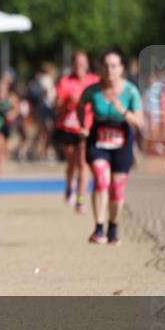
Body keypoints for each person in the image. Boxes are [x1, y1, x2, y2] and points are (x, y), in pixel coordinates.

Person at [77, 49, 144, 246]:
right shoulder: (92, 91)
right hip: (98, 141)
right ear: (100, 68)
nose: (109, 70)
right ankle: (99, 228)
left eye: (114, 66)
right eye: (105, 66)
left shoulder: (131, 91)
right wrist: (83, 125)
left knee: (116, 187)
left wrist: (123, 111)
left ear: (121, 68)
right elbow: (80, 106)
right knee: (101, 178)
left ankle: (113, 227)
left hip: (122, 142)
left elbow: (139, 122)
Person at [53, 51, 99, 213]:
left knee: (82, 163)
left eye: (83, 63)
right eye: (77, 63)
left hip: (85, 128)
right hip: (67, 127)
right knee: (71, 163)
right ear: (73, 65)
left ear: (87, 64)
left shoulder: (94, 81)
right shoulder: (65, 82)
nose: (80, 66)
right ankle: (69, 186)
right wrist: (66, 101)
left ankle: (80, 200)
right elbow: (56, 106)